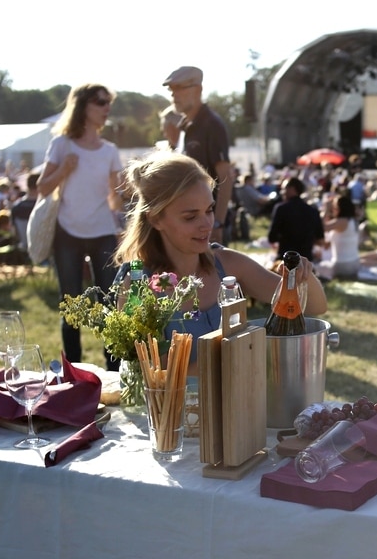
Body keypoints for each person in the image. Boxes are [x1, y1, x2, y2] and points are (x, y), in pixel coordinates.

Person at [114, 153, 327, 362]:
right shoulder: (137, 287)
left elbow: (315, 307)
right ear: (156, 219)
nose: (207, 224)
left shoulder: (226, 264)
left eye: (209, 210)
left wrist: (302, 275)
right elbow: (152, 376)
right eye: (190, 217)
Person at [37, 83, 124, 368]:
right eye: (100, 101)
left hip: (102, 233)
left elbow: (116, 197)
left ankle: (113, 371)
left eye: (108, 102)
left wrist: (123, 224)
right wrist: (65, 169)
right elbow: (42, 188)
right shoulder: (61, 144)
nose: (106, 108)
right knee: (71, 307)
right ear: (82, 106)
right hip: (67, 233)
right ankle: (72, 372)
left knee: (110, 305)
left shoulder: (110, 150)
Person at [163, 66, 232, 245]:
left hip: (205, 223)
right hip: (190, 222)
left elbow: (226, 176)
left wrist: (217, 222)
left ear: (198, 90)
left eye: (180, 89)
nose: (174, 96)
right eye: (172, 90)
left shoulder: (211, 124)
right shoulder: (187, 125)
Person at [267, 177, 324, 262]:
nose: (282, 192)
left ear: (292, 189)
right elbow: (320, 238)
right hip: (306, 260)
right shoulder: (313, 211)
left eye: (284, 189)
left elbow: (272, 237)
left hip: (285, 259)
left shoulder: (281, 209)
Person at [317, 193, 361, 280]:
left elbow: (319, 227)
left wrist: (326, 209)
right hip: (354, 263)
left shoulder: (342, 221)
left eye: (335, 207)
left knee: (311, 268)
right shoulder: (351, 220)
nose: (333, 209)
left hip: (342, 265)